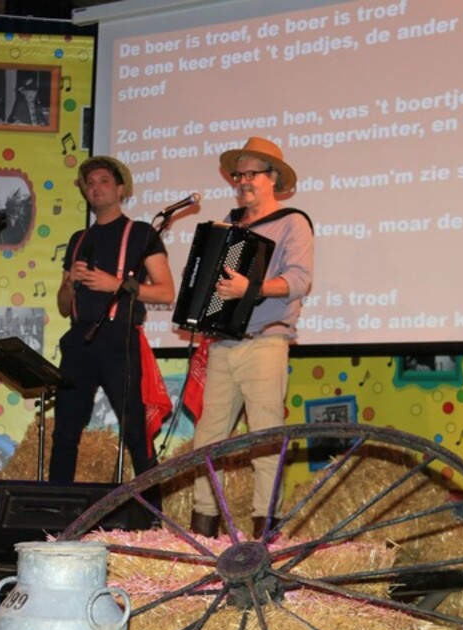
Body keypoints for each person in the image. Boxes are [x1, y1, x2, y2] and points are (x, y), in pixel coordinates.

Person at [189, 136, 314, 539]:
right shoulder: (230, 226)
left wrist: (251, 288)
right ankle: (202, 533)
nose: (242, 181)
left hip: (266, 341)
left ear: (273, 178)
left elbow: (299, 281)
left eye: (251, 174)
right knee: (207, 441)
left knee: (265, 440)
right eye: (237, 174)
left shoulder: (292, 222)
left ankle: (264, 535)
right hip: (224, 344)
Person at [50, 156, 175, 506]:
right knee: (65, 433)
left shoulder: (142, 233)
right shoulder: (78, 239)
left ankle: (154, 515)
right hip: (78, 341)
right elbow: (63, 306)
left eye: (104, 181)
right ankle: (57, 516)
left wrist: (116, 284)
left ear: (121, 189)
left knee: (135, 430)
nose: (95, 187)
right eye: (89, 183)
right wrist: (69, 284)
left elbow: (166, 292)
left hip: (119, 339)